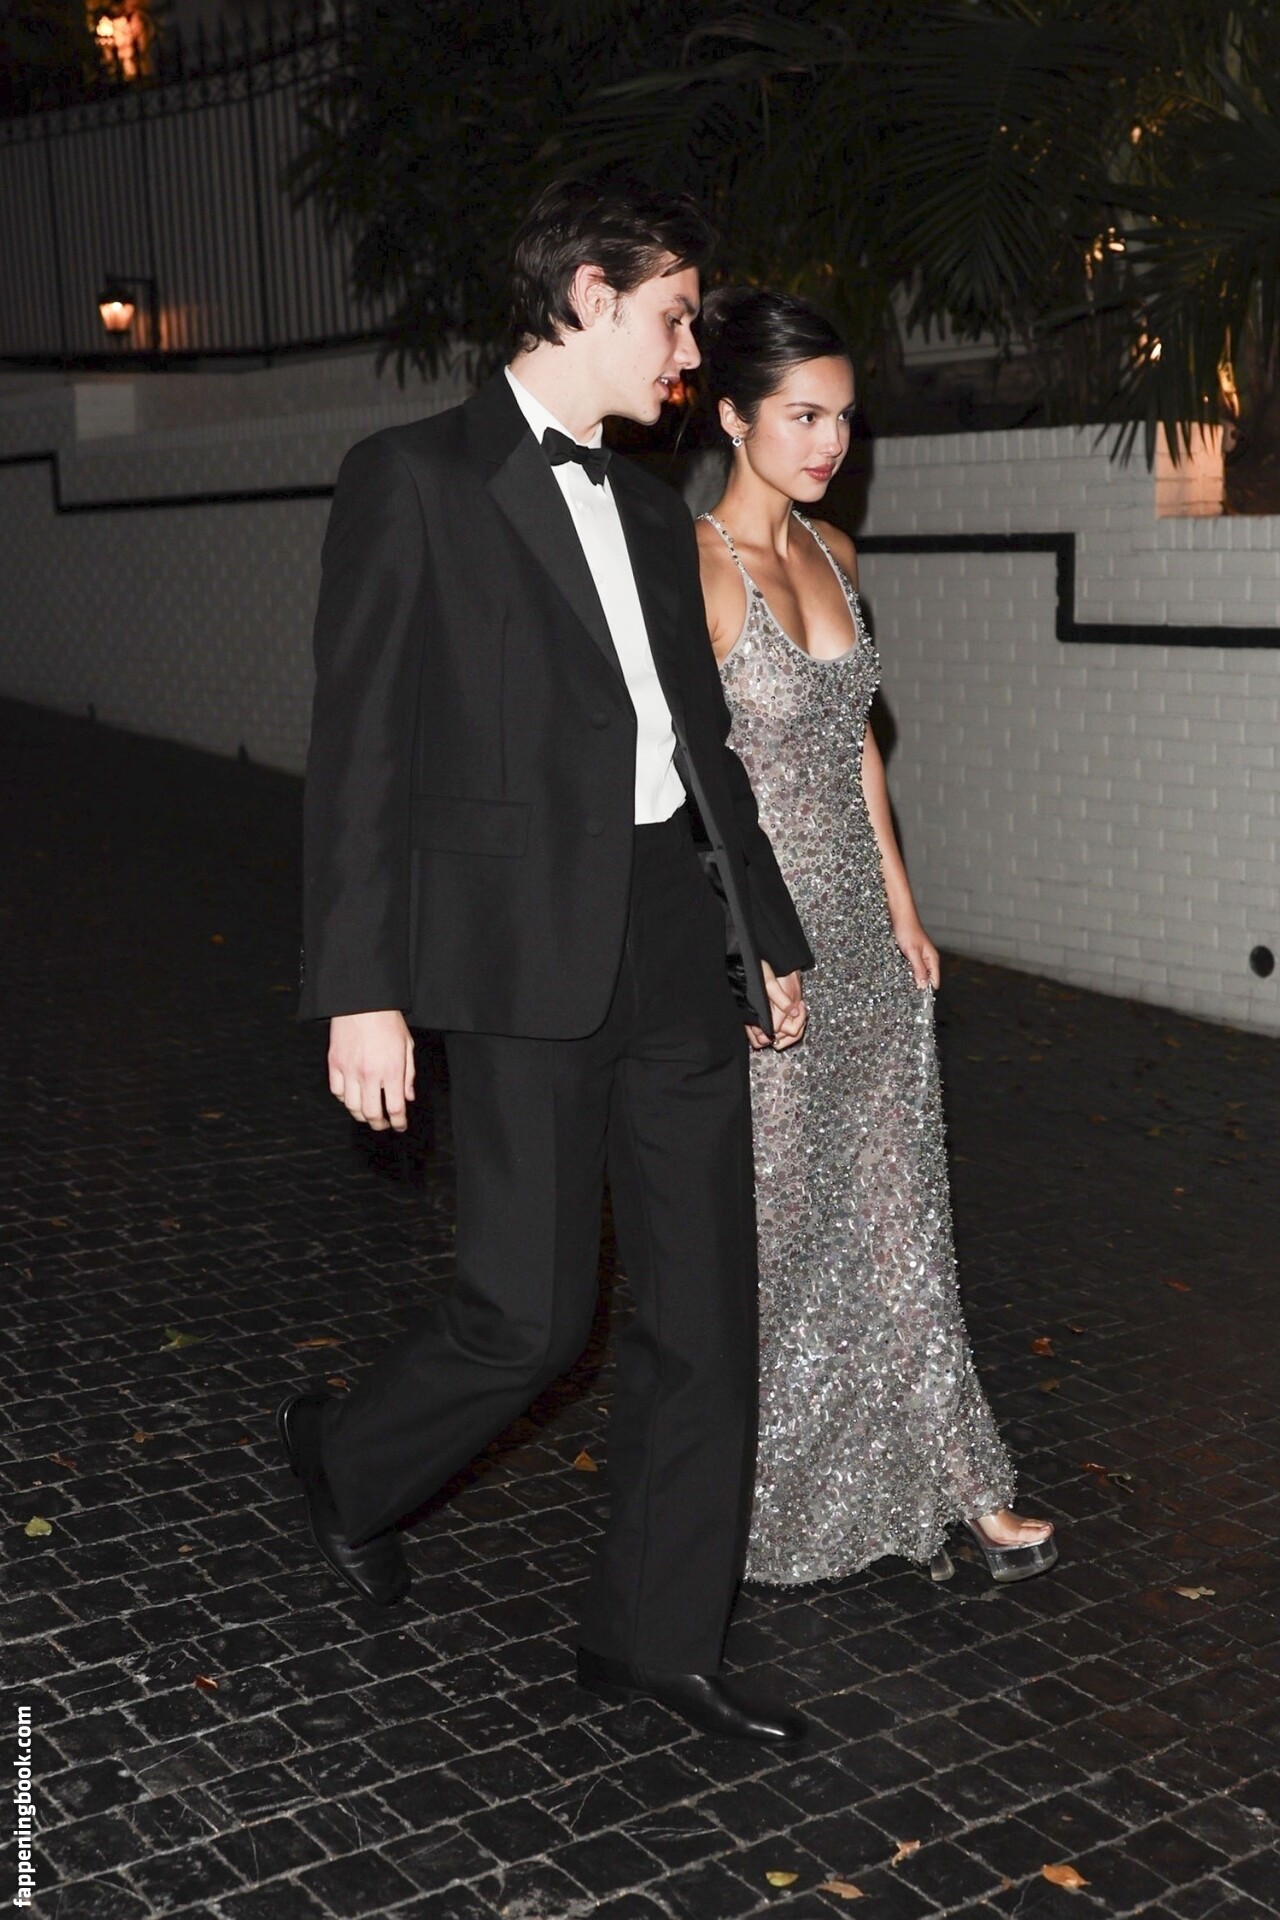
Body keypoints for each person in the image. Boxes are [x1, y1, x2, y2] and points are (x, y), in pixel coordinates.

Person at [280, 182, 816, 1744]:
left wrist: (763, 934)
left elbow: (701, 748)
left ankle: (656, 1640)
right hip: (515, 956)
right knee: (527, 1317)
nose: (689, 353)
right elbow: (361, 757)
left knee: (706, 1316)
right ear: (590, 295)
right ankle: (345, 1466)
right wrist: (362, 987)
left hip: (671, 936)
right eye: (673, 317)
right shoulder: (415, 480)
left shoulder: (652, 512)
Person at [694, 287, 1057, 1588]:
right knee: (786, 1226)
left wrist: (902, 905)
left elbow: (856, 748)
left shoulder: (836, 549)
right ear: (731, 417)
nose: (830, 442)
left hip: (862, 926)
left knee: (904, 1214)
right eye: (802, 416)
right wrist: (741, 946)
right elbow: (687, 788)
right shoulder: (695, 571)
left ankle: (964, 1478)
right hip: (772, 936)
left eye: (844, 418)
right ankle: (759, 1499)